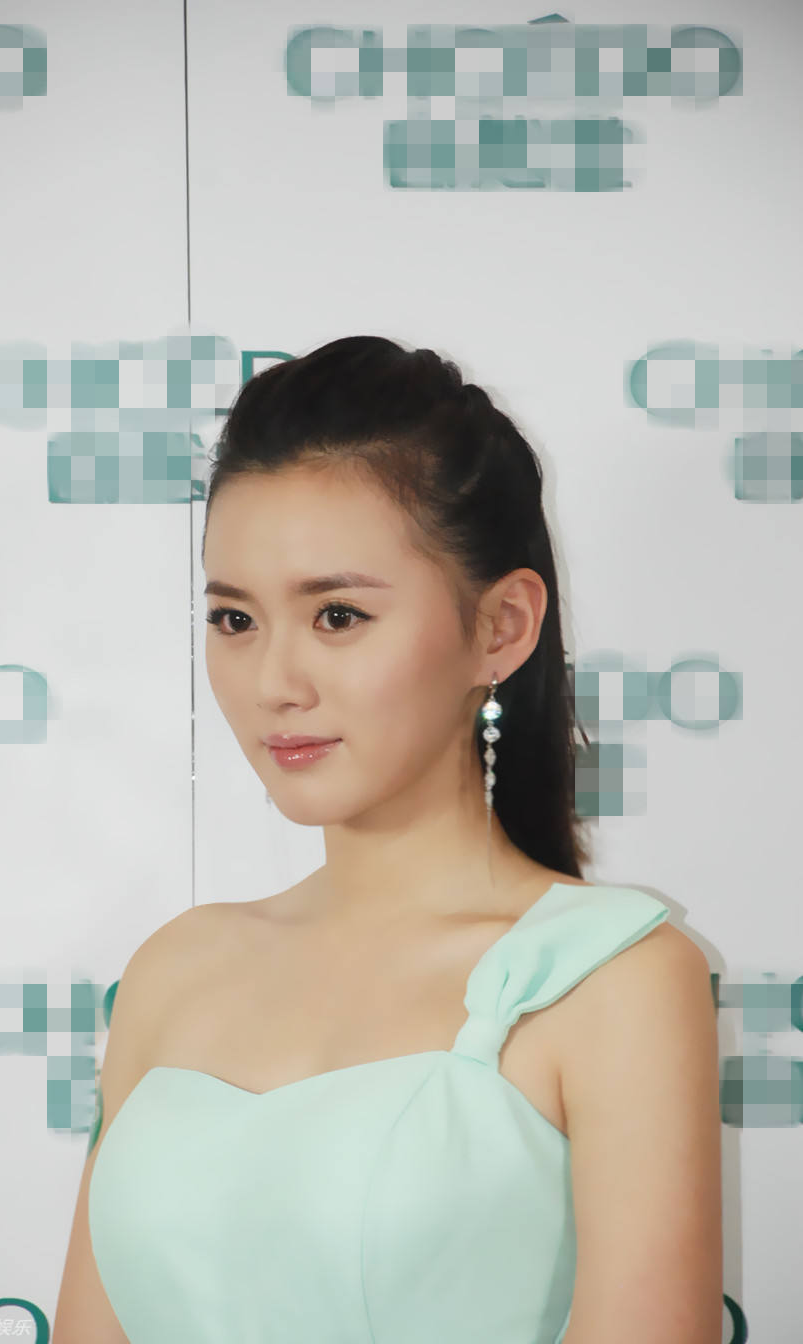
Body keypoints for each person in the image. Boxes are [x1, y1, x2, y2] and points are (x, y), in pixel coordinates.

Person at [52, 336, 723, 1343]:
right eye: (234, 620)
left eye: (337, 615)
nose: (274, 682)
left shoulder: (608, 981)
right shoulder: (172, 970)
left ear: (501, 627)